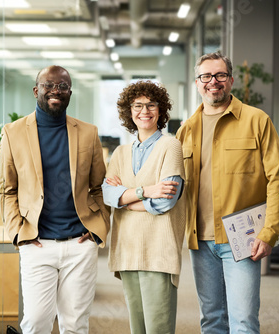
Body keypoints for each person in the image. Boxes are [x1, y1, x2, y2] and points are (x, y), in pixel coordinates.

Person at [176, 52, 279, 333]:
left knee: (243, 321)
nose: (213, 82)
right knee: (212, 320)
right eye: (206, 76)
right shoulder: (185, 130)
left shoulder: (256, 120)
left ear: (231, 80)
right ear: (197, 82)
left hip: (242, 239)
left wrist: (269, 232)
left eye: (220, 75)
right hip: (200, 241)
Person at [0, 65, 110, 334]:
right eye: (49, 85)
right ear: (37, 90)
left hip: (80, 243)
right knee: (36, 322)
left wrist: (97, 230)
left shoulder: (87, 133)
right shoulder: (13, 132)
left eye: (62, 86)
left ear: (70, 92)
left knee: (75, 324)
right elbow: (5, 189)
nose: (55, 91)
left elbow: (99, 186)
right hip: (36, 243)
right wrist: (19, 233)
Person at [102, 81, 186, 334]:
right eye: (137, 105)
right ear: (129, 112)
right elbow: (107, 195)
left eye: (151, 105)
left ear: (160, 111)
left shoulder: (171, 146)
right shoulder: (119, 152)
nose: (144, 111)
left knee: (157, 329)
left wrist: (124, 200)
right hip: (127, 249)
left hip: (158, 250)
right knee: (137, 328)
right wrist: (143, 192)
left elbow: (165, 202)